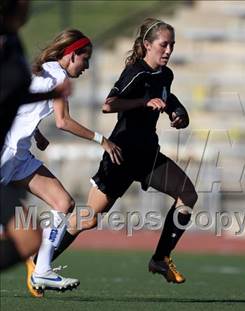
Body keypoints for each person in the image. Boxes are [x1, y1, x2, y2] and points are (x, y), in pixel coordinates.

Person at [48, 17, 198, 285]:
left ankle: (160, 258)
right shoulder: (136, 72)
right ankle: (41, 262)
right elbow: (109, 104)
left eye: (172, 45)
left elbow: (167, 98)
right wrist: (143, 101)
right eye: (164, 45)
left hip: (148, 156)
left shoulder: (166, 74)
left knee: (187, 194)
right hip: (121, 154)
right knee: (89, 219)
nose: (168, 51)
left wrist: (179, 113)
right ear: (147, 45)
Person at [1, 28, 123, 296]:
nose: (86, 67)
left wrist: (36, 133)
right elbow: (63, 121)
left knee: (64, 203)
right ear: (72, 54)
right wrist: (101, 139)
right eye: (85, 59)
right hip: (5, 154)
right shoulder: (56, 75)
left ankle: (42, 270)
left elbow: (20, 107)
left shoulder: (45, 69)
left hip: (19, 155)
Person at [0, 0, 71, 272]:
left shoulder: (14, 42)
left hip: (14, 150)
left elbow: (14, 96)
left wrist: (50, 96)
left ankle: (41, 271)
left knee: (30, 239)